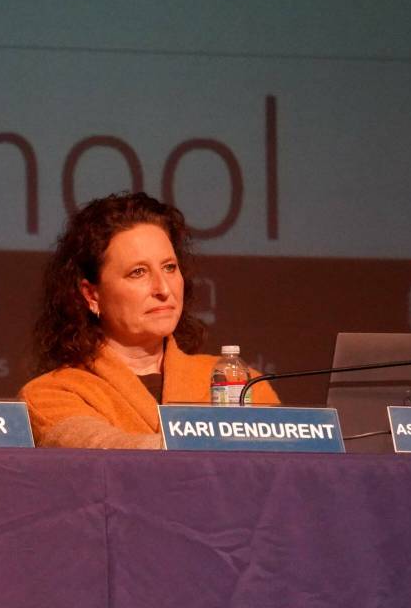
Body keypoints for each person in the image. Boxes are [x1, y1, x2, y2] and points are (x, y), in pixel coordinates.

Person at [20, 192, 278, 449]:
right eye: (138, 272)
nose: (163, 288)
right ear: (91, 295)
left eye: (169, 267)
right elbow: (103, 449)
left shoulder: (241, 384)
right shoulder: (51, 394)